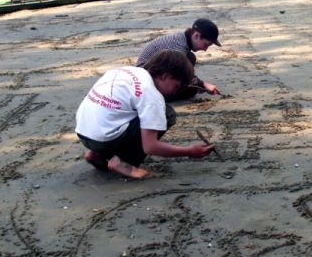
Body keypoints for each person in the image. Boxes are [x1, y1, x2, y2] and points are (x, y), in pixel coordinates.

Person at [75, 50, 215, 179]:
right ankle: (122, 163)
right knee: (167, 114)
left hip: (84, 134)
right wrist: (189, 151)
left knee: (122, 111)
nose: (175, 92)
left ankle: (96, 155)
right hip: (103, 139)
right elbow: (151, 147)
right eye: (176, 86)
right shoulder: (151, 95)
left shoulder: (128, 70)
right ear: (165, 76)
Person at [136, 18, 221, 99]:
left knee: (190, 57)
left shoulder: (182, 38)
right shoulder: (178, 46)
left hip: (155, 71)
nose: (205, 49)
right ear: (196, 36)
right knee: (190, 91)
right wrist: (203, 84)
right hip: (145, 78)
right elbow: (179, 71)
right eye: (206, 45)